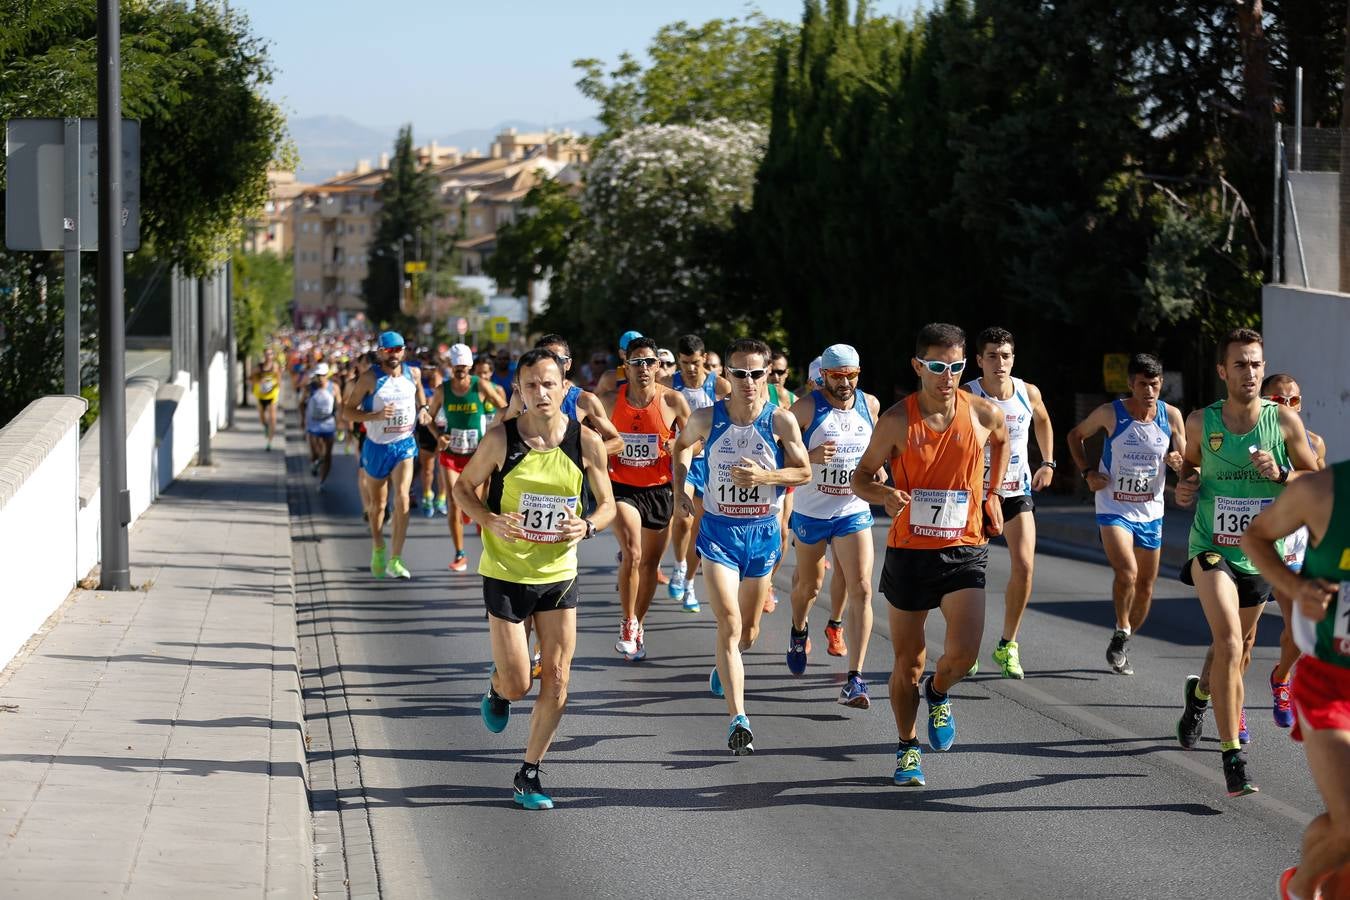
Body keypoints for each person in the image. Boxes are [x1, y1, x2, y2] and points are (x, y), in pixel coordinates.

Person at [452, 348, 616, 810]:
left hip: (559, 573)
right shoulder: (501, 440)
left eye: (549, 384)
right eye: (530, 385)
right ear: (519, 392)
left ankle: (529, 773)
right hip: (506, 573)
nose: (541, 393)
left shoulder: (586, 442)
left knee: (559, 679)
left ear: (565, 387)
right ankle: (498, 687)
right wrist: (488, 519)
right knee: (519, 683)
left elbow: (606, 503)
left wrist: (586, 526)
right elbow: (463, 488)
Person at [852, 323, 1008, 787]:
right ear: (918, 365)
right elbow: (860, 478)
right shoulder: (898, 421)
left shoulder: (982, 413)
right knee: (909, 662)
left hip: (964, 547)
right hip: (910, 553)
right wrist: (882, 495)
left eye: (957, 367)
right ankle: (907, 746)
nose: (948, 376)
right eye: (938, 367)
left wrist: (994, 493)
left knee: (962, 654)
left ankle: (939, 692)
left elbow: (1001, 441)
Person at [1173, 327, 1319, 797]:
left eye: (1256, 363)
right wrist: (1186, 484)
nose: (1250, 372)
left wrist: (1280, 473)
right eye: (1240, 364)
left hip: (1261, 556)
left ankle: (1199, 697)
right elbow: (1191, 466)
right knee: (1230, 641)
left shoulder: (1284, 423)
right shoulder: (1202, 421)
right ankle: (1233, 757)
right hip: (1211, 546)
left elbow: (1316, 482)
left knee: (1235, 647)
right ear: (1223, 371)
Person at [672, 338, 811, 754]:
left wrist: (765, 479)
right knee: (729, 623)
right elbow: (680, 448)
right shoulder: (706, 418)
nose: (748, 381)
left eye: (756, 373)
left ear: (768, 375)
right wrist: (681, 488)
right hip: (718, 532)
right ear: (726, 375)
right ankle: (739, 718)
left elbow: (803, 472)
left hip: (763, 532)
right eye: (739, 373)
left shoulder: (781, 421)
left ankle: (725, 664)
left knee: (748, 632)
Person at [1243, 461, 1349, 899]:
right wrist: (1296, 586)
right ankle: (1301, 888)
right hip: (1332, 685)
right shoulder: (1323, 491)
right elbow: (1256, 537)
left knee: (1341, 826)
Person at [1066, 353, 1185, 675]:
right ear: (1131, 384)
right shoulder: (1111, 413)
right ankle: (1121, 623)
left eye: (1155, 385)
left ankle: (1122, 638)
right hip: (1113, 505)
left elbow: (1189, 463)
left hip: (1151, 509)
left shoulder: (1171, 416)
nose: (1149, 391)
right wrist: (1088, 472)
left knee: (1146, 586)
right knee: (1128, 572)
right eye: (1143, 384)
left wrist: (1181, 465)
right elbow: (1075, 436)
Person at [786, 343, 882, 707]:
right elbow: (775, 450)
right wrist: (807, 457)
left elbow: (876, 451)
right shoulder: (806, 408)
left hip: (852, 509)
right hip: (811, 511)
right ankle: (798, 629)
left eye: (851, 375)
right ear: (823, 376)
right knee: (809, 588)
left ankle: (856, 678)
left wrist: (883, 478)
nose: (845, 382)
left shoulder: (869, 405)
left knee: (861, 588)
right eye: (837, 376)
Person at [962, 327, 1054, 679]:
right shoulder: (966, 395)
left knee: (1026, 566)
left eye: (1005, 356)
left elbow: (1044, 421)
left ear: (1013, 358)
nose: (999, 363)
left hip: (1016, 492)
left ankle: (1007, 645)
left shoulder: (1027, 393)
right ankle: (966, 646)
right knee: (969, 576)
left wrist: (1048, 462)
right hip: (974, 496)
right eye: (992, 356)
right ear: (979, 360)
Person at [605, 337, 691, 660]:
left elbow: (697, 442)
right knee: (633, 551)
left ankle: (639, 623)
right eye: (636, 362)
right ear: (625, 366)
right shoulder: (610, 400)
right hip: (622, 487)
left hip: (659, 489)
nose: (643, 368)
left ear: (658, 366)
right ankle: (627, 623)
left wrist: (679, 447)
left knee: (651, 565)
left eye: (649, 362)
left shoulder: (673, 401)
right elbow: (585, 433)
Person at [1262, 373, 1329, 730]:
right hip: (1259, 545)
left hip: (1297, 546)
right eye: (1278, 400)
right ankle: (1215, 696)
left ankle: (1281, 677)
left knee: (1302, 630)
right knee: (1239, 638)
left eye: (1294, 401)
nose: (1287, 407)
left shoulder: (1314, 442)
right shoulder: (1251, 440)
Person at [343, 331, 431, 579]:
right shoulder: (370, 378)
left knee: (403, 498)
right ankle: (378, 545)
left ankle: (396, 558)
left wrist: (423, 410)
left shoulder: (413, 373)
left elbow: (420, 395)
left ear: (404, 351)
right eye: (389, 350)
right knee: (378, 505)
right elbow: (347, 412)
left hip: (403, 444)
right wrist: (374, 417)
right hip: (376, 447)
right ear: (380, 352)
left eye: (398, 349)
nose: (394, 354)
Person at [662, 334, 731, 613]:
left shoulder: (720, 385)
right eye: (685, 363)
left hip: (709, 462)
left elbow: (732, 418)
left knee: (699, 527)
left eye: (695, 362)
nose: (690, 368)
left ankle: (690, 582)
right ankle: (678, 566)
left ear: (704, 359)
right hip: (682, 459)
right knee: (683, 518)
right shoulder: (669, 384)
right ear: (679, 361)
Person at [428, 343, 508, 572]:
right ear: (452, 367)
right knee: (454, 501)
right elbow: (430, 418)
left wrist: (495, 432)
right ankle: (460, 554)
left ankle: (476, 528)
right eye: (457, 366)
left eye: (464, 366)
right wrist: (439, 437)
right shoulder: (443, 390)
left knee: (475, 505)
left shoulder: (480, 386)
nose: (460, 370)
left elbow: (504, 408)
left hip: (477, 456)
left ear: (470, 366)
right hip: (451, 454)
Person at [303, 362, 341, 490]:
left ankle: (322, 481)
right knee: (315, 453)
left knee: (327, 454)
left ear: (327, 375)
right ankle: (315, 463)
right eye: (317, 375)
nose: (319, 378)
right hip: (313, 425)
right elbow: (301, 403)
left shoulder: (334, 388)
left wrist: (340, 422)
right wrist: (303, 420)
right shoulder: (310, 387)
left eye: (322, 375)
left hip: (328, 424)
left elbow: (339, 405)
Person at [594, 330, 643, 407]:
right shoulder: (609, 379)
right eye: (630, 352)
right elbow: (592, 405)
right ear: (621, 354)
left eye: (640, 351)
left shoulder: (654, 377)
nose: (636, 356)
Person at [251, 348, 283, 451]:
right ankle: (265, 426)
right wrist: (260, 381)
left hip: (272, 395)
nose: (268, 356)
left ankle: (269, 442)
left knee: (273, 418)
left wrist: (273, 385)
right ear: (264, 355)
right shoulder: (259, 367)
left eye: (270, 354)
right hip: (261, 395)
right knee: (262, 417)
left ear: (273, 356)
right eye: (266, 354)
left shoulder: (275, 367)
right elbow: (251, 378)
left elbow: (279, 380)